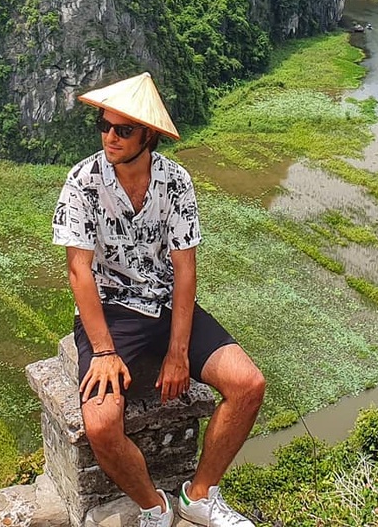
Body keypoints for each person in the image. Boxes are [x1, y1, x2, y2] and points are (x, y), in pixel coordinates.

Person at [52, 72, 266, 527]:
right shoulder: (82, 183)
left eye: (123, 130)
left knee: (248, 385)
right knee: (101, 424)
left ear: (148, 135)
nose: (111, 137)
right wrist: (105, 351)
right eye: (105, 127)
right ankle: (155, 506)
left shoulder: (175, 182)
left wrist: (177, 351)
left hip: (165, 301)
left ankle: (200, 494)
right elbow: (79, 271)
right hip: (112, 310)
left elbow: (185, 268)